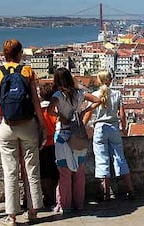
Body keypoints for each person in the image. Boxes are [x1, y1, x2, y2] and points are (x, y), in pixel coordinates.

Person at [0, 39, 46, 226]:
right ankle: (33, 211)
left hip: (7, 126)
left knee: (10, 171)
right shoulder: (27, 71)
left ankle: (12, 216)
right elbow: (36, 102)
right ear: (20, 53)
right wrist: (41, 124)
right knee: (32, 169)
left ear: (4, 53)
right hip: (28, 124)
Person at [47, 67, 100, 214]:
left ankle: (65, 205)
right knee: (79, 172)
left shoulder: (58, 94)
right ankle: (79, 204)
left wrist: (59, 115)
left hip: (63, 135)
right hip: (78, 135)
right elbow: (97, 100)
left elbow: (49, 109)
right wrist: (83, 112)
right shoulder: (79, 93)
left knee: (64, 174)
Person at [83, 70, 135, 200]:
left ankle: (106, 193)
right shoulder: (117, 94)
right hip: (113, 128)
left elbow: (88, 113)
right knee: (120, 158)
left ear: (99, 80)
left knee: (102, 160)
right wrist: (124, 128)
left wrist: (82, 127)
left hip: (100, 128)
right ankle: (130, 190)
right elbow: (122, 114)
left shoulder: (94, 94)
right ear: (110, 80)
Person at [38, 82, 58, 208]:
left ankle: (48, 197)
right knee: (56, 172)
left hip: (42, 145)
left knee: (44, 173)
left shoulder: (38, 111)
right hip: (55, 144)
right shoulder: (55, 110)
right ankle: (57, 197)